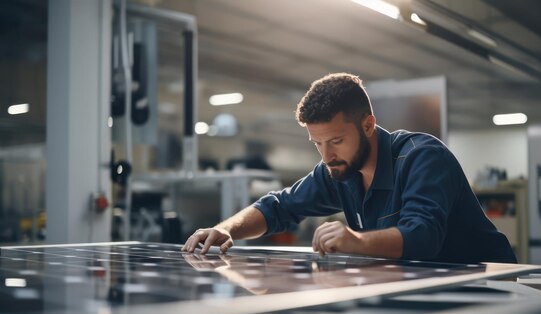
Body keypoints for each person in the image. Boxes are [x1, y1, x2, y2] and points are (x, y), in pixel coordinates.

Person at [182, 73, 517, 264]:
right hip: (428, 287)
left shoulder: (423, 157)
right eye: (318, 143)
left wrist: (354, 240)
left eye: (337, 140)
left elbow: (422, 237)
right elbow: (279, 207)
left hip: (487, 287)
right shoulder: (337, 170)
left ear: (368, 125)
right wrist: (227, 229)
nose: (327, 155)